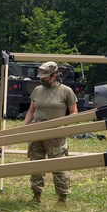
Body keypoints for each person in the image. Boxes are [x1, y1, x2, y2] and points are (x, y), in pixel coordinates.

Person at [24, 61, 78, 203]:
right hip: (37, 130)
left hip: (56, 132)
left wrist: (62, 125)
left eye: (45, 77)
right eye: (41, 77)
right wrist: (24, 126)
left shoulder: (66, 91)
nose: (42, 80)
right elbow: (31, 111)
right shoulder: (37, 90)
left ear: (55, 75)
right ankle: (36, 196)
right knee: (35, 164)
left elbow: (74, 113)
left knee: (58, 165)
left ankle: (62, 197)